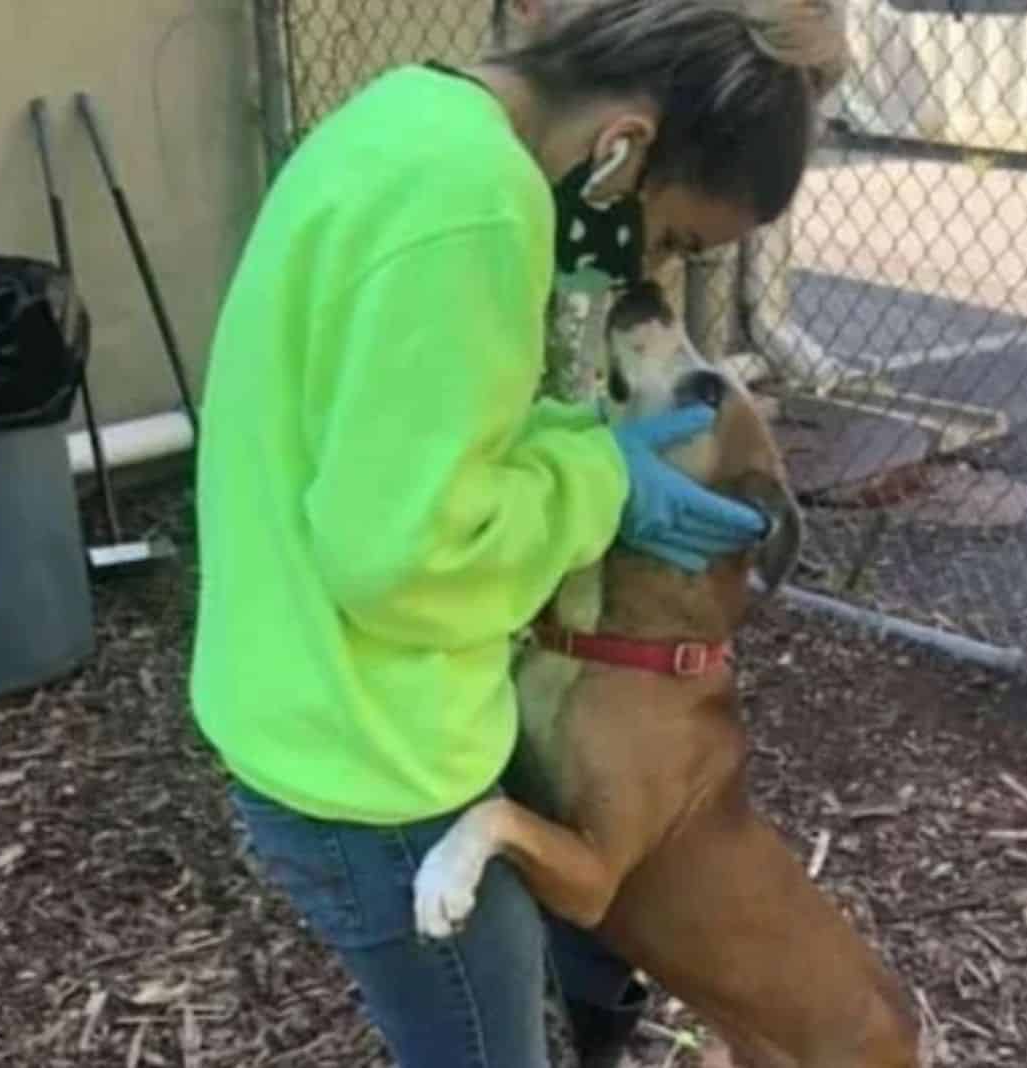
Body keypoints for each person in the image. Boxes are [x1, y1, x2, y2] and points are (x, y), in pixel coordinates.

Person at [189, 0, 847, 1065]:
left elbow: (392, 433)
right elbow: (404, 559)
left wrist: (561, 442)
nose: (652, 265)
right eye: (671, 233)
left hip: (295, 697)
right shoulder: (482, 208)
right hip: (376, 762)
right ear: (623, 145)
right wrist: (597, 479)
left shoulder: (404, 119)